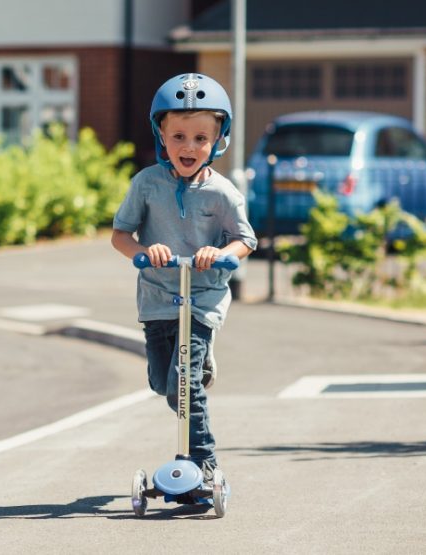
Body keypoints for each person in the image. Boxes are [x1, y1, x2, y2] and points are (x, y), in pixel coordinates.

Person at [110, 73, 256, 493]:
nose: (188, 147)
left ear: (217, 140)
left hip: (202, 298)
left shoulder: (222, 193)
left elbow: (245, 240)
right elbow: (121, 235)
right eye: (178, 136)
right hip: (157, 296)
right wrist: (143, 251)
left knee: (183, 381)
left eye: (199, 139)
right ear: (161, 134)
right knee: (163, 381)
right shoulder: (146, 185)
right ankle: (200, 370)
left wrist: (221, 255)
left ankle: (203, 460)